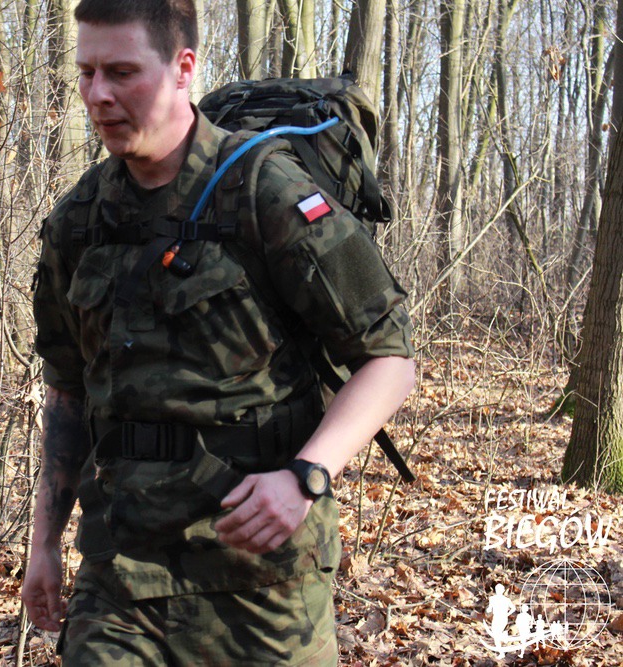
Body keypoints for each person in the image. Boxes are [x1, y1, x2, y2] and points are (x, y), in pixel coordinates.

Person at [22, 0, 416, 664]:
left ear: (184, 69)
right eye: (87, 72)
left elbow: (390, 359)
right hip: (120, 576)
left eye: (122, 72)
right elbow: (67, 389)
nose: (98, 94)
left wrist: (307, 476)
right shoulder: (80, 220)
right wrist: (44, 544)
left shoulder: (268, 194)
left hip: (262, 585)